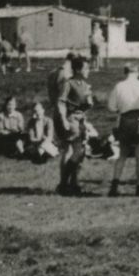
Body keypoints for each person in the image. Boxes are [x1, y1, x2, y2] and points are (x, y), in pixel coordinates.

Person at [107, 64, 139, 197]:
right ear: (137, 72)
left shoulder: (119, 86)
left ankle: (115, 184)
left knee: (122, 153)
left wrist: (122, 108)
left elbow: (111, 107)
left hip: (124, 120)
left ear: (125, 72)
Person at [55, 55, 96, 195]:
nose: (88, 70)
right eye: (86, 68)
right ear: (78, 70)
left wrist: (89, 102)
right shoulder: (68, 83)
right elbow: (61, 102)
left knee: (80, 152)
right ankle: (65, 184)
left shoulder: (85, 85)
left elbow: (86, 104)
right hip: (71, 119)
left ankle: (72, 183)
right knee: (73, 151)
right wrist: (64, 120)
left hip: (81, 119)